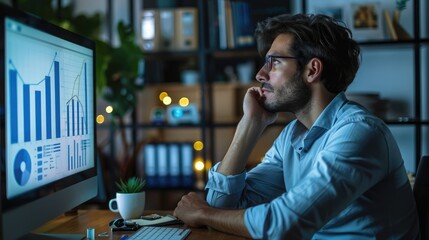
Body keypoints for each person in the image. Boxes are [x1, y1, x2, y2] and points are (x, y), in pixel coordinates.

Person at [173, 13, 420, 239]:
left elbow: (286, 224)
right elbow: (223, 205)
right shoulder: (292, 136)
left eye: (274, 63)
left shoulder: (358, 132)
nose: (260, 74)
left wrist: (203, 213)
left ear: (312, 70)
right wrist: (250, 125)